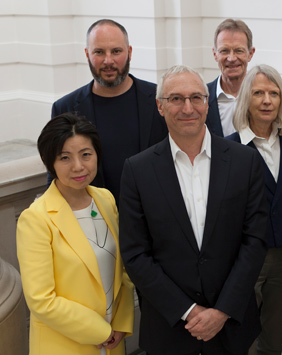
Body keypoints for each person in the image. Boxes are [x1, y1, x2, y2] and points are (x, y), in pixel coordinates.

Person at [119, 65, 268, 355]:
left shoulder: (245, 162)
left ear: (207, 103)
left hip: (231, 326)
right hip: (170, 328)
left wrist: (222, 310)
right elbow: (135, 254)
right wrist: (187, 311)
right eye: (176, 99)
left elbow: (255, 241)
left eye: (196, 97)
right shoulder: (137, 170)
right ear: (160, 107)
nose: (188, 107)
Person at [16, 113, 134, 354]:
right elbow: (42, 300)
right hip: (65, 345)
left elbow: (124, 270)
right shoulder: (36, 218)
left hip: (113, 342)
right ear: (50, 162)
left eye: (86, 155)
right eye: (65, 158)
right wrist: (100, 331)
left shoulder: (105, 199)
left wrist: (121, 323)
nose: (78, 166)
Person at [227, 64, 282, 355]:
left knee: (274, 335)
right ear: (246, 99)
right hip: (248, 255)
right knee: (242, 334)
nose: (266, 100)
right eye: (258, 93)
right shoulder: (230, 148)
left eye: (274, 93)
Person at [51, 19, 167, 200]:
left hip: (152, 216)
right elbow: (55, 173)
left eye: (116, 51)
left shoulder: (161, 99)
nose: (108, 60)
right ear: (87, 54)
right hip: (91, 218)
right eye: (99, 52)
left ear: (129, 52)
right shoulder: (65, 108)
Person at [206, 18, 256, 137]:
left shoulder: (265, 97)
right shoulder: (201, 98)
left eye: (239, 51)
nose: (232, 58)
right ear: (215, 54)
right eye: (224, 51)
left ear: (250, 54)